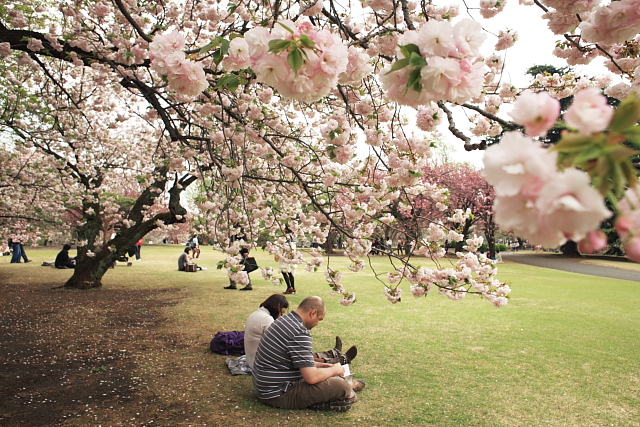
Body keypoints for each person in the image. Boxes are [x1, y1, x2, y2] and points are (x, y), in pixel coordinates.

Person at [252, 296, 364, 412]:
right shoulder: (299, 332)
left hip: (265, 388)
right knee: (340, 385)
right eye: (319, 319)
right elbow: (311, 377)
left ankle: (343, 389)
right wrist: (335, 370)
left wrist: (324, 366)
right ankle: (347, 390)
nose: (317, 324)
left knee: (328, 375)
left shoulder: (284, 321)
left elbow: (294, 361)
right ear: (313, 313)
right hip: (277, 394)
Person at [244, 295, 357, 371]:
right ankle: (335, 360)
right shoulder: (267, 320)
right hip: (262, 364)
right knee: (299, 356)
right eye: (281, 312)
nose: (281, 316)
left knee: (300, 353)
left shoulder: (259, 315)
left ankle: (331, 355)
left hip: (260, 361)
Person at [279, 227, 297, 294]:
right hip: (291, 255)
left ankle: (289, 287)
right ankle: (292, 287)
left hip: (286, 255)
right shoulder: (292, 237)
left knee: (284, 271)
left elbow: (284, 246)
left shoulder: (286, 237)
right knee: (290, 271)